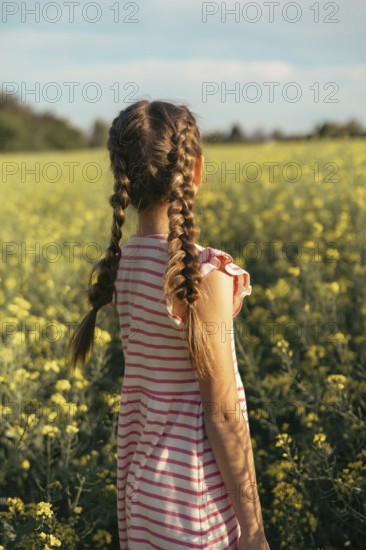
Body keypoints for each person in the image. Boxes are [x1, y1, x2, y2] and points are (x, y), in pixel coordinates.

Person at [68, 100, 270, 549]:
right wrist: (254, 531)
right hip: (196, 501)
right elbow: (221, 413)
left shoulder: (120, 268)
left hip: (142, 497)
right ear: (195, 170)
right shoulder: (204, 275)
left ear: (120, 174)